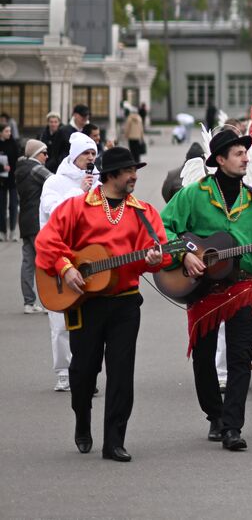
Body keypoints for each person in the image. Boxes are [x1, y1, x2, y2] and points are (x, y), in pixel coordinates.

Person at [34, 146, 192, 462]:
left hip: (125, 303)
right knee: (82, 372)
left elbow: (158, 255)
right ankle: (82, 418)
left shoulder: (144, 213)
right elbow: (47, 241)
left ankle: (114, 441)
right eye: (129, 171)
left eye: (136, 171)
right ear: (111, 175)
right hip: (85, 303)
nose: (135, 176)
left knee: (121, 373)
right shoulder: (77, 208)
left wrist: (156, 258)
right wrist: (67, 268)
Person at [161, 128, 252, 451]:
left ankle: (233, 426)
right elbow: (161, 226)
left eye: (246, 153)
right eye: (238, 153)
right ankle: (214, 416)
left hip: (245, 287)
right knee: (203, 359)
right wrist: (185, 253)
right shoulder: (194, 194)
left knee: (239, 358)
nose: (246, 157)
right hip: (203, 287)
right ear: (220, 160)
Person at [39, 133, 99, 392]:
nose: (90, 158)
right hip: (57, 258)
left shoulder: (98, 183)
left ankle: (86, 372)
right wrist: (79, 192)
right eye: (86, 153)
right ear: (74, 155)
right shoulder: (55, 182)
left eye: (93, 154)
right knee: (61, 320)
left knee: (90, 320)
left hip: (88, 260)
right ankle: (64, 371)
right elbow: (54, 213)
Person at [17, 140, 51, 312]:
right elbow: (54, 181)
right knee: (45, 261)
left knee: (28, 262)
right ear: (36, 154)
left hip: (24, 220)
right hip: (37, 220)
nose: (47, 156)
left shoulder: (21, 168)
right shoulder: (36, 168)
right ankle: (48, 301)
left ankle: (29, 303)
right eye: (44, 153)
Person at [44, 105, 89, 174]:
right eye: (82, 115)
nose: (85, 118)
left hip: (84, 170)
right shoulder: (63, 131)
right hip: (66, 170)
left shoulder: (88, 130)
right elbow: (55, 153)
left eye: (87, 115)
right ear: (75, 115)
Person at [0, 120, 19, 241]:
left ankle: (13, 231)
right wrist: (2, 167)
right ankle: (2, 232)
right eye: (6, 131)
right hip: (1, 179)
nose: (9, 133)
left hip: (12, 179)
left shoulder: (13, 143)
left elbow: (17, 159)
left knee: (13, 205)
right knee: (1, 206)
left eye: (10, 131)